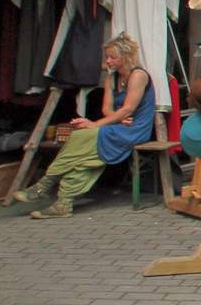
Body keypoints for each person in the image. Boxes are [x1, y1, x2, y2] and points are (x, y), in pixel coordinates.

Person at [16, 34, 155, 218]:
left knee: (81, 137)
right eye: (107, 56)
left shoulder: (138, 75)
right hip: (119, 125)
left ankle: (44, 185)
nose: (108, 61)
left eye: (112, 57)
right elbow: (107, 109)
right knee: (85, 160)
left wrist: (97, 124)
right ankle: (63, 204)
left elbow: (128, 109)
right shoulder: (111, 78)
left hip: (135, 129)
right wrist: (116, 119)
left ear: (126, 56)